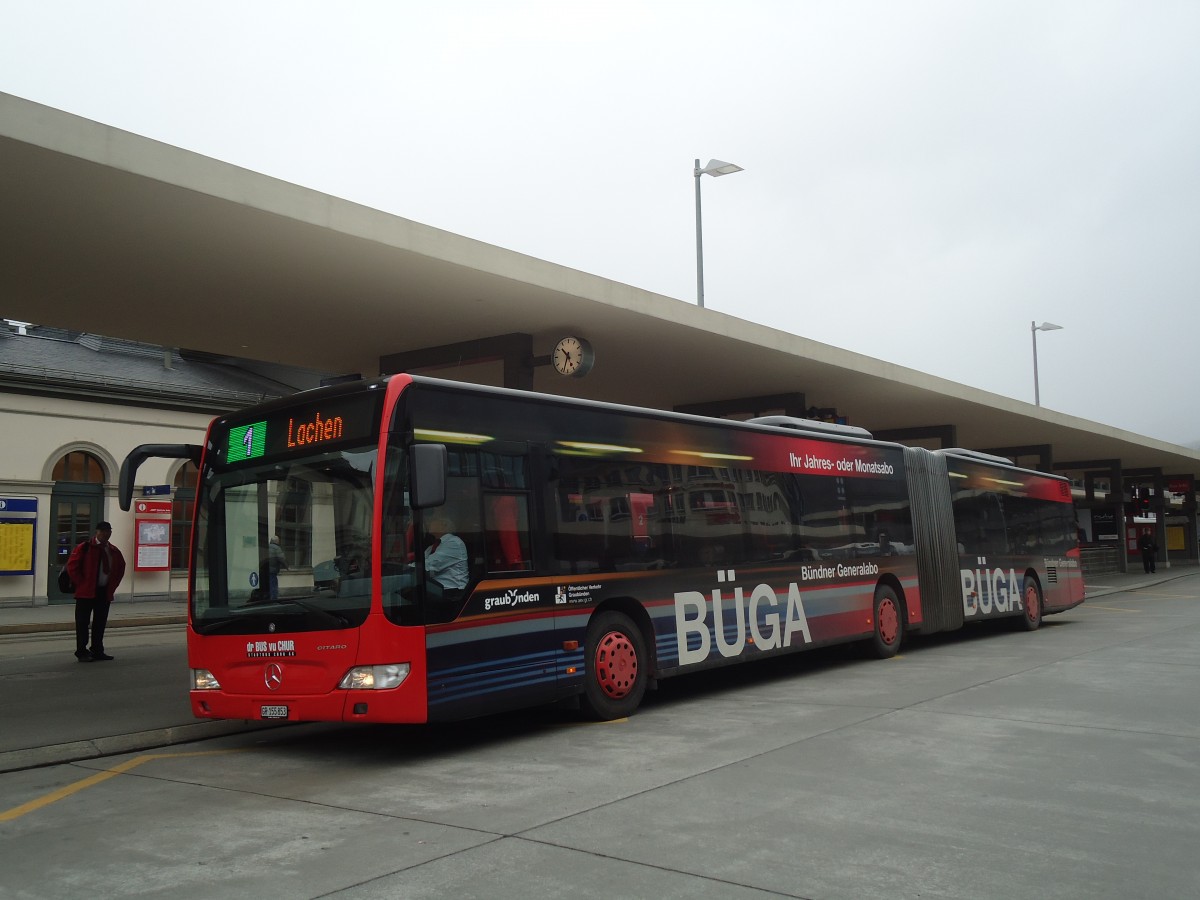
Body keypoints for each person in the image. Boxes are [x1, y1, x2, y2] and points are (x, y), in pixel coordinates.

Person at [66, 521, 126, 662]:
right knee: (82, 623)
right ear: (97, 532)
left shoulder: (113, 550)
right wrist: (81, 583)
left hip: (103, 592)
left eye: (109, 531)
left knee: (100, 623)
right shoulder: (85, 547)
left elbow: (120, 569)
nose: (106, 534)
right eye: (103, 531)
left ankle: (97, 650)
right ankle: (82, 651)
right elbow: (72, 566)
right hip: (85, 593)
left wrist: (113, 586)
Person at [423, 515, 469, 599]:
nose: (429, 522)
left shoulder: (453, 542)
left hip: (452, 592)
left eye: (434, 520)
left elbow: (431, 565)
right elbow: (421, 561)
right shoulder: (433, 546)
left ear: (443, 526)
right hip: (437, 588)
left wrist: (408, 568)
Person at [268, 535, 287, 599]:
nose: (279, 541)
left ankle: (268, 596)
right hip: (273, 569)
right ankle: (273, 598)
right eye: (278, 540)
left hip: (265, 569)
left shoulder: (267, 547)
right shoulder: (277, 548)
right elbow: (281, 559)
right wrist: (287, 567)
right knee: (273, 583)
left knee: (267, 583)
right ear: (276, 541)